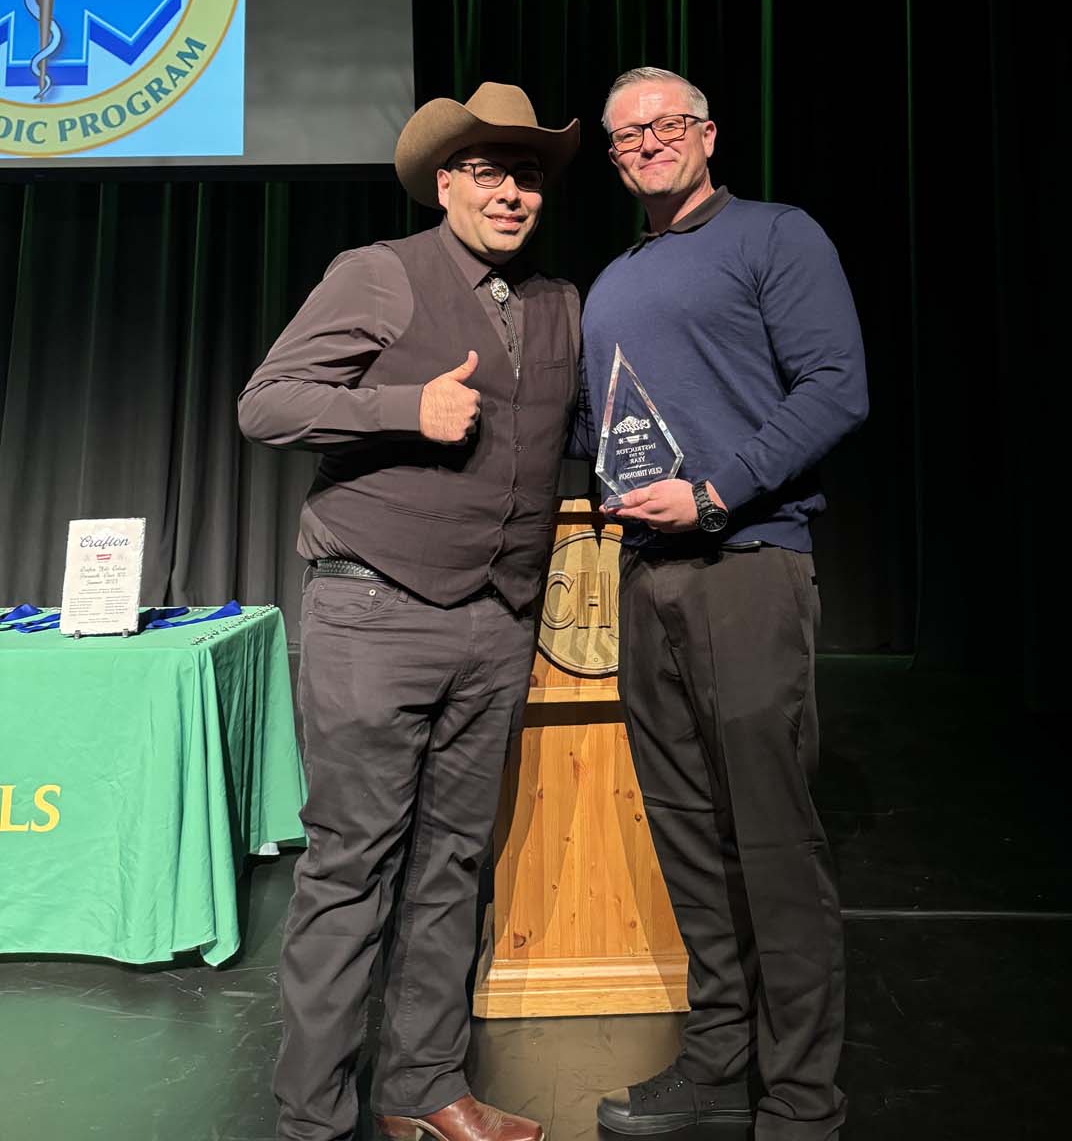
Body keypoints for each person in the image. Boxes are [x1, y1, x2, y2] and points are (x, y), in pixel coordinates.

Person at [239, 83, 581, 1141]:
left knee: (453, 867)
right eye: (489, 171)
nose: (512, 192)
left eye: (527, 174)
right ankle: (312, 1119)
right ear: (446, 183)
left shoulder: (561, 302)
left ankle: (424, 1089)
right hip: (375, 613)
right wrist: (404, 408)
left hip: (495, 622)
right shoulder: (381, 273)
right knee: (351, 867)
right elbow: (268, 403)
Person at [575, 67, 868, 1141]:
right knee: (690, 838)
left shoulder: (776, 236)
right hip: (646, 578)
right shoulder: (611, 281)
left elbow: (837, 384)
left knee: (775, 845)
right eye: (626, 135)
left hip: (747, 564)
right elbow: (600, 430)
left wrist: (712, 491)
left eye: (664, 124)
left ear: (706, 132)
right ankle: (718, 1061)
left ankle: (799, 1102)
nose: (646, 143)